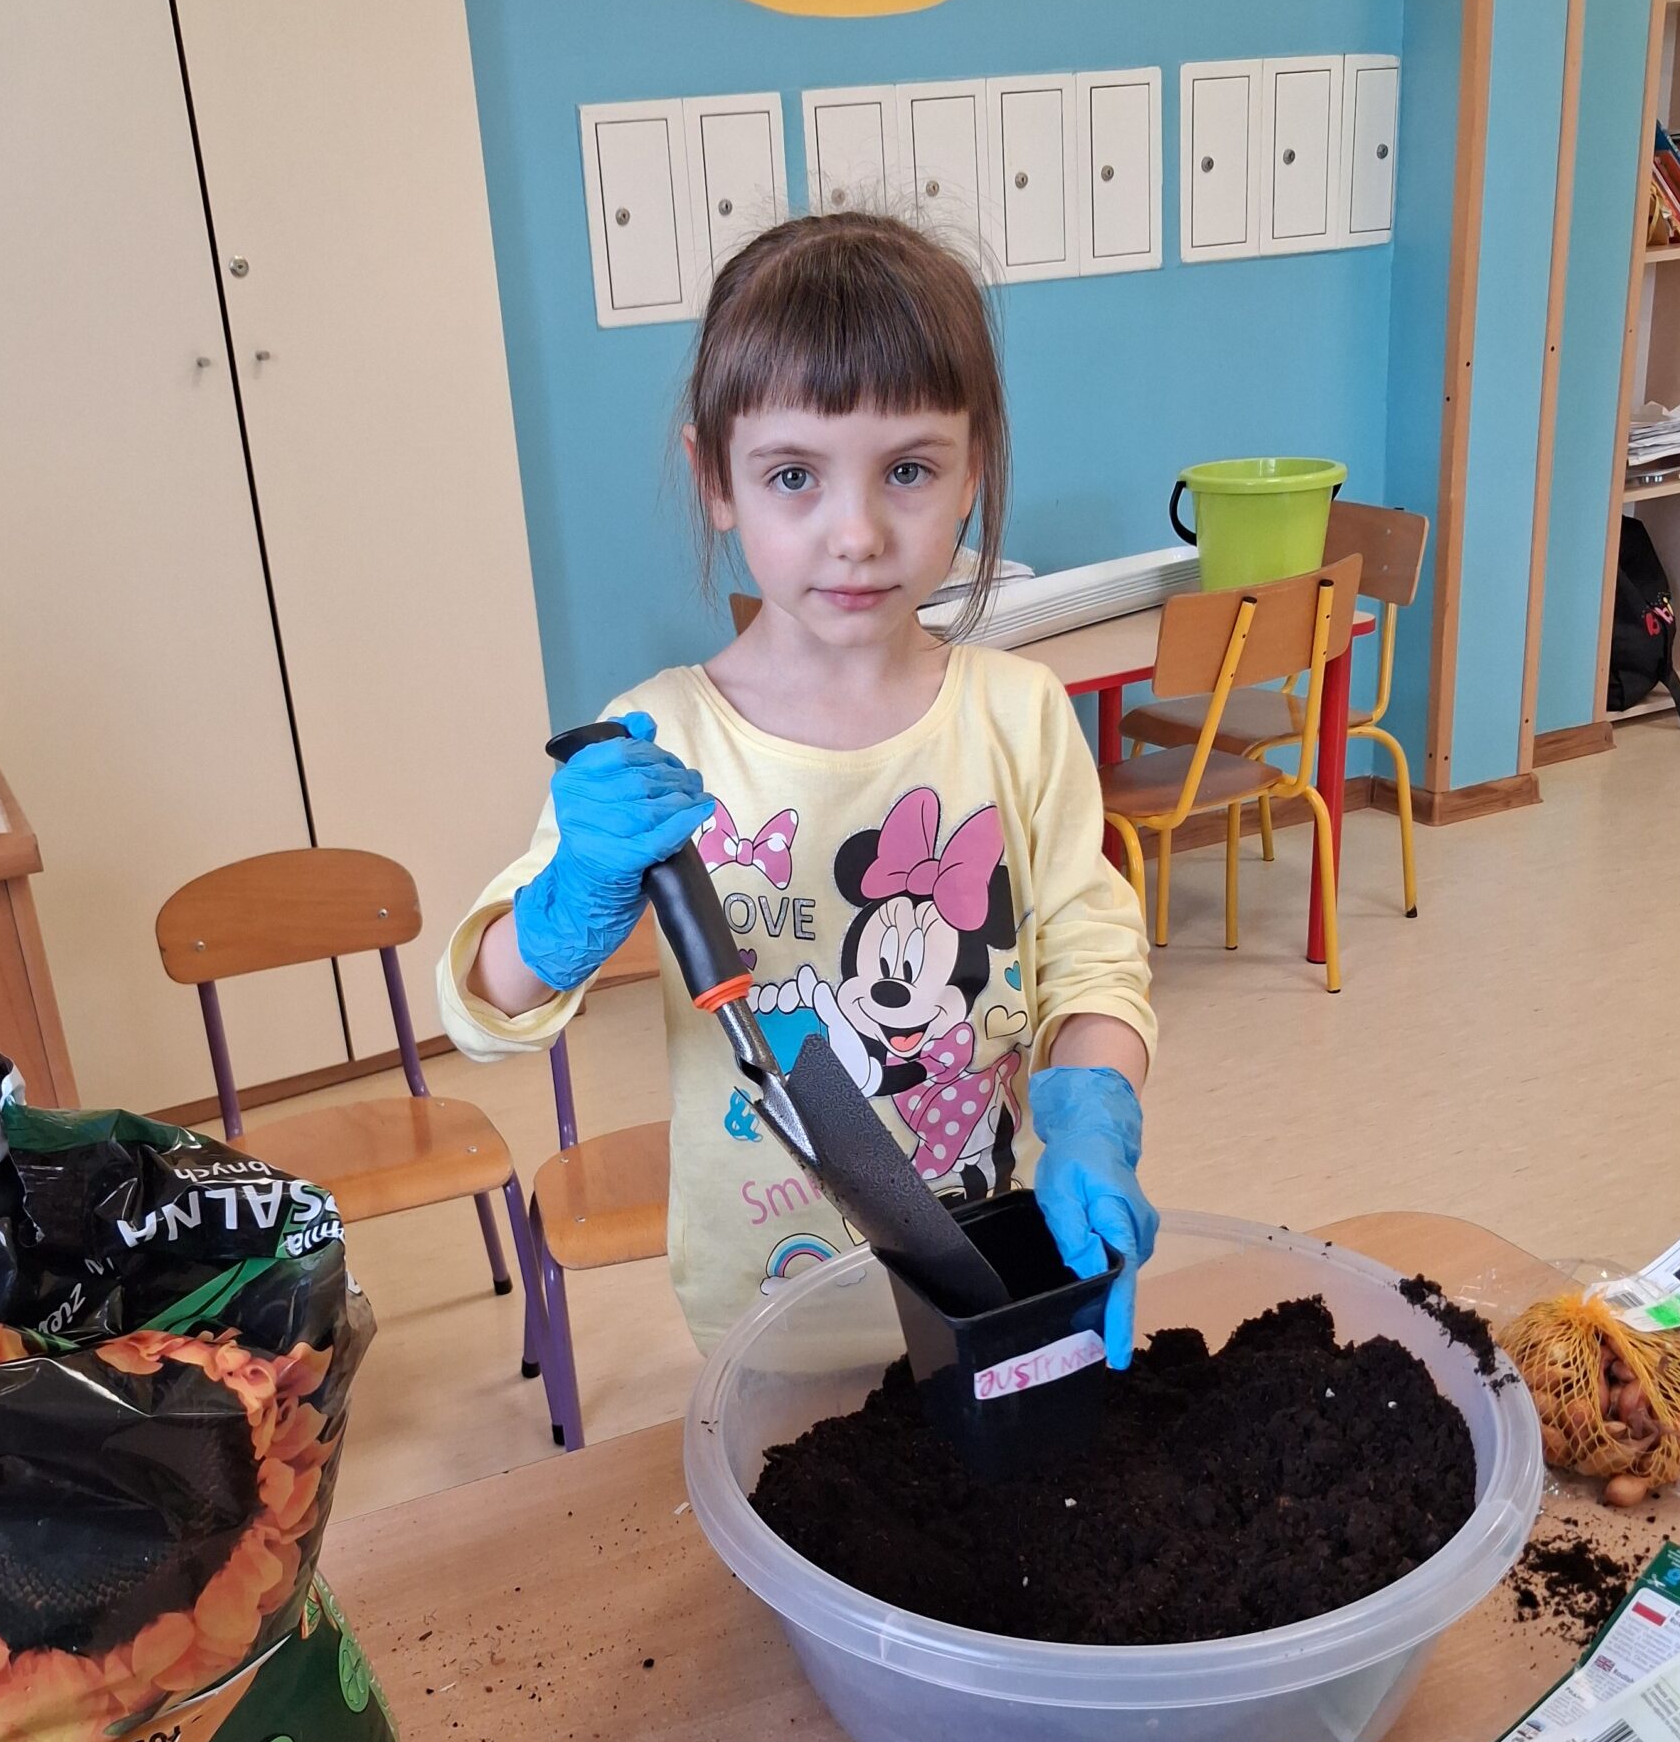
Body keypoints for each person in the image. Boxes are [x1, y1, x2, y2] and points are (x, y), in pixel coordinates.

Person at [440, 211, 1157, 1362]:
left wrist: (1092, 1112)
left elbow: (1092, 965)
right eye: (792, 476)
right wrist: (568, 906)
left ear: (974, 467)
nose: (857, 533)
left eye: (909, 470)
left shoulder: (1020, 714)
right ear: (714, 478)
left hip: (985, 1271)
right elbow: (484, 1008)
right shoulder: (663, 736)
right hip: (769, 1309)